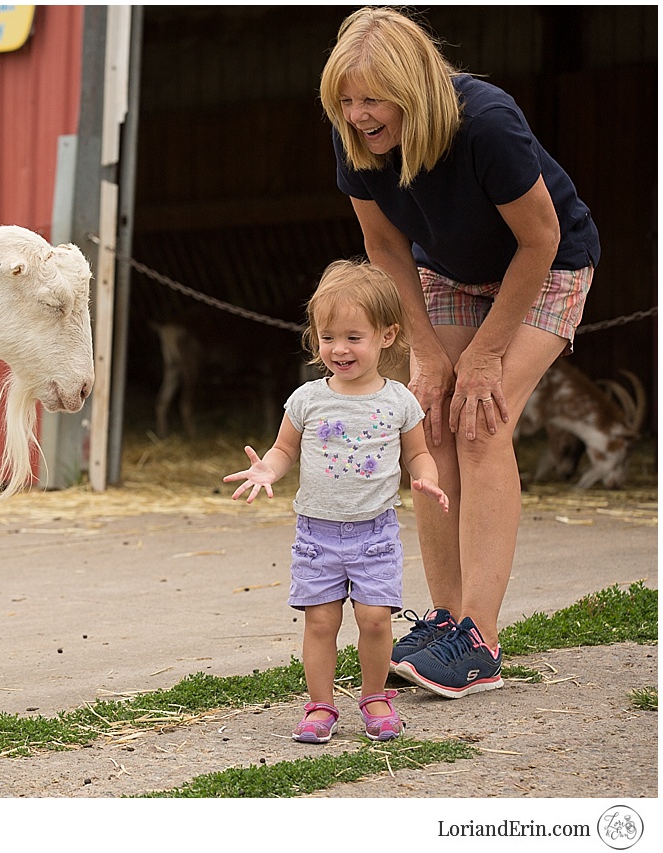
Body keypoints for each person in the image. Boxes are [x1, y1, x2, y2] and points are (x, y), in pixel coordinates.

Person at [319, 7, 599, 698]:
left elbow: (540, 239)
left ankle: (480, 640)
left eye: (372, 100)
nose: (358, 115)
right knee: (430, 418)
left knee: (482, 420)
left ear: (412, 87)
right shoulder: (355, 134)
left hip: (547, 264)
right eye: (346, 100)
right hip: (446, 269)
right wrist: (426, 352)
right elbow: (385, 246)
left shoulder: (486, 122)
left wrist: (482, 356)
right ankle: (446, 620)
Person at [224, 259, 449, 743]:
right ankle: (320, 706)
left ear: (387, 336)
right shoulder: (306, 399)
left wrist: (426, 480)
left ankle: (375, 698)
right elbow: (284, 449)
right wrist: (269, 468)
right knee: (321, 621)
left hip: (375, 532)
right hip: (317, 533)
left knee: (373, 619)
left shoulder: (399, 402)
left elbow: (419, 453)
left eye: (353, 337)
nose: (339, 349)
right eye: (328, 337)